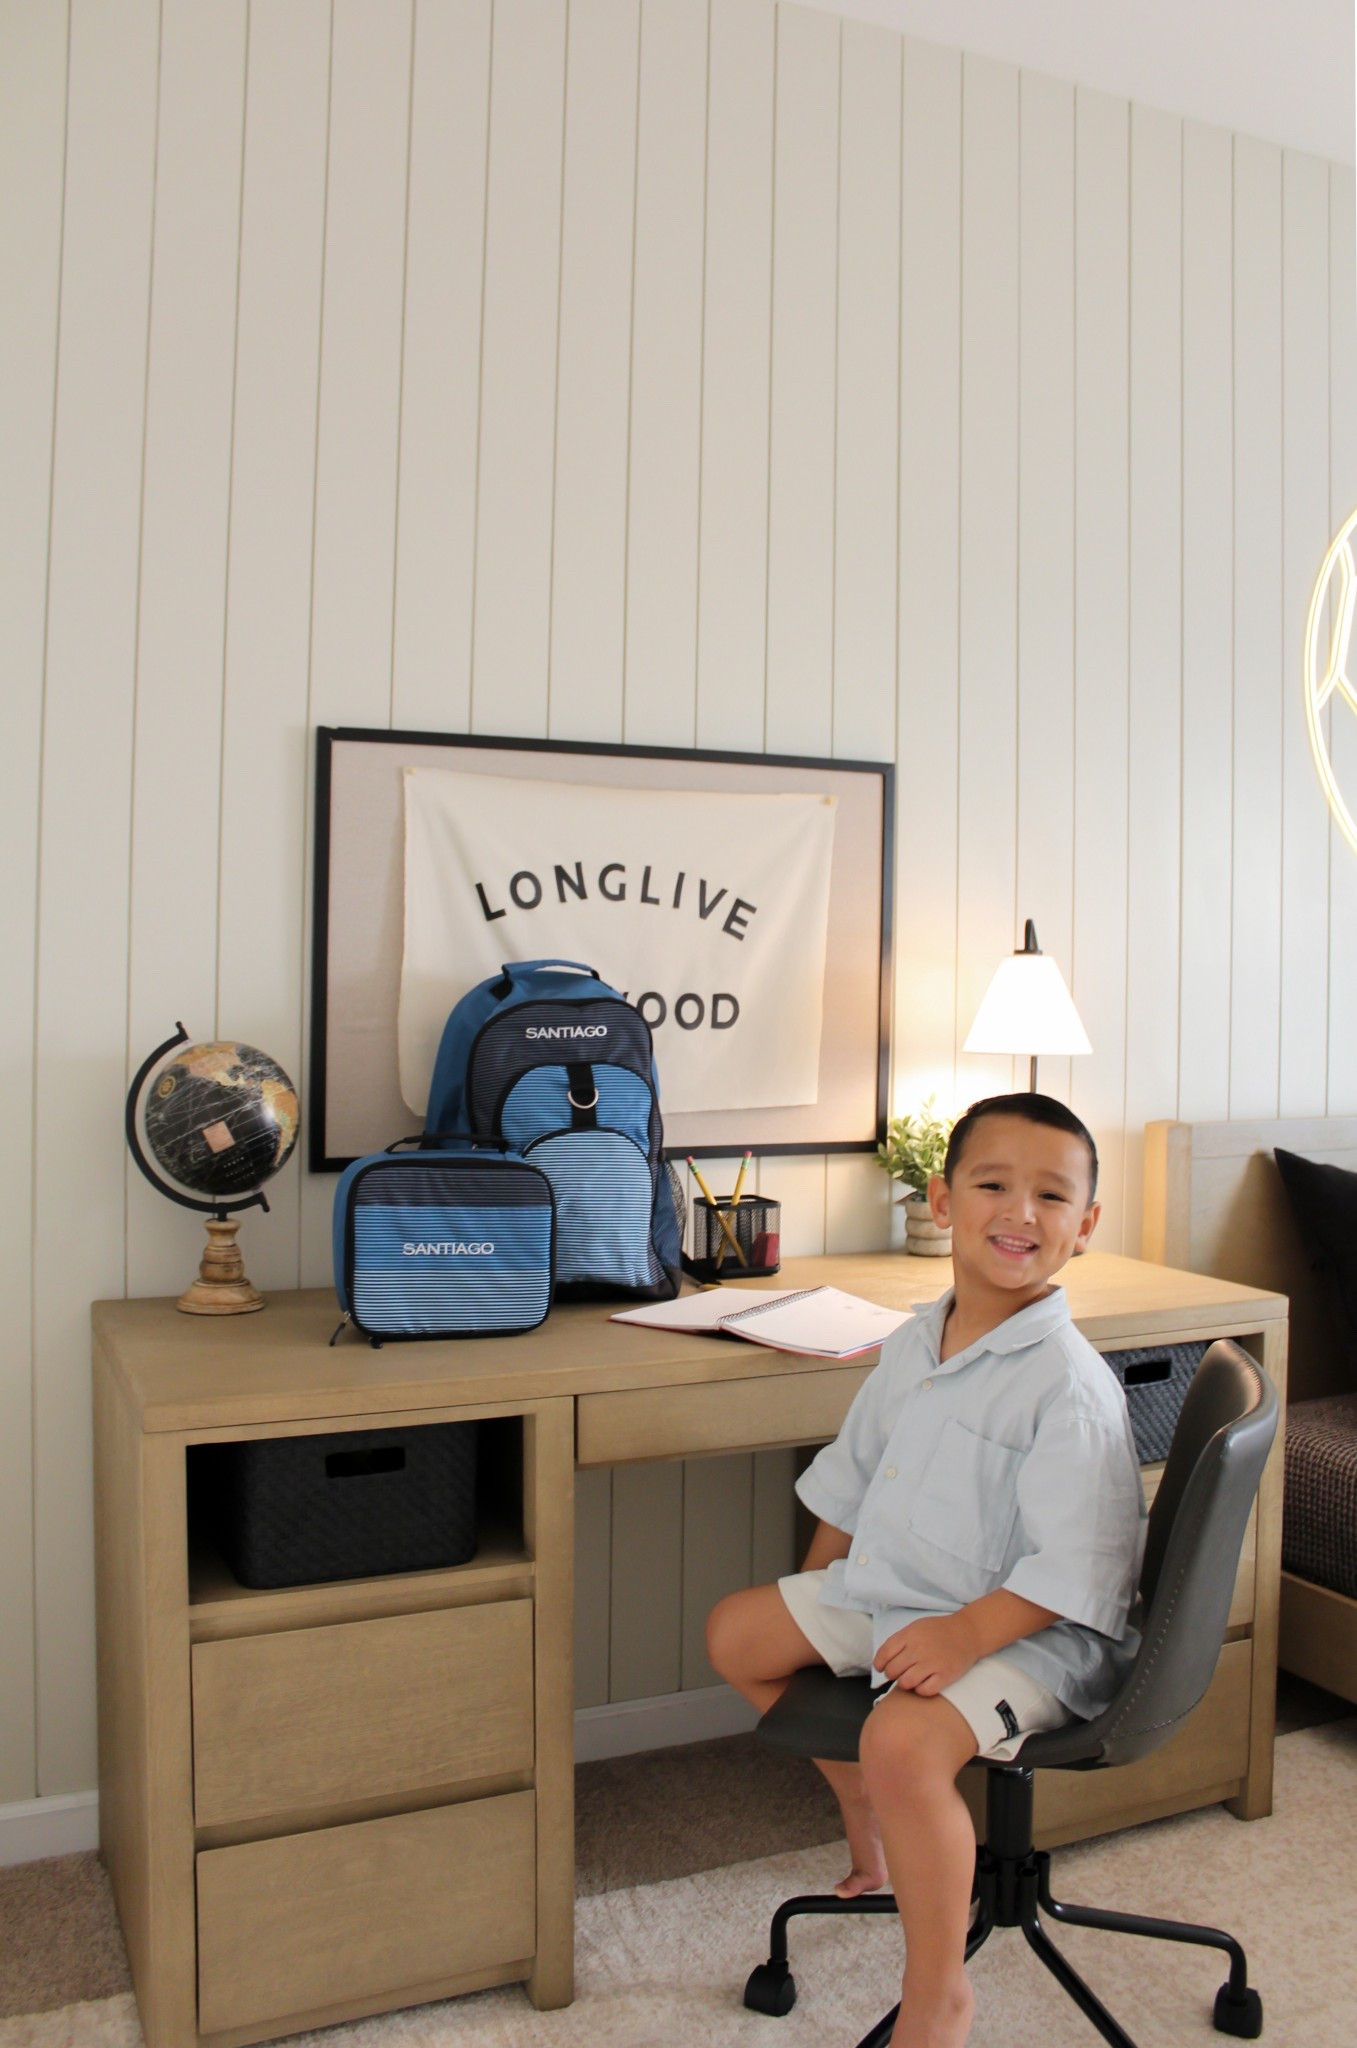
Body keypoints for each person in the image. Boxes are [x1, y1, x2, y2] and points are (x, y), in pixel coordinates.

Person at [706, 1092, 1145, 2048]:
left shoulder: (1066, 1387)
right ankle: (866, 1809)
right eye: (992, 1185)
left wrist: (965, 1635)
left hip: (1034, 1630)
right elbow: (850, 1493)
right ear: (943, 1201)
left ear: (1086, 1226)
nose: (1018, 1213)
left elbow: (1082, 1568)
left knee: (902, 1742)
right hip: (912, 1591)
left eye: (1049, 1196)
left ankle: (937, 1992)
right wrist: (816, 1605)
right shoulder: (913, 1341)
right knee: (738, 1632)